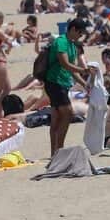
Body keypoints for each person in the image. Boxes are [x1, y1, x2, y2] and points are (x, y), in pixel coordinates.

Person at [42, 18, 91, 155]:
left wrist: (84, 84)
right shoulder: (61, 41)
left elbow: (71, 71)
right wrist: (85, 71)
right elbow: (65, 64)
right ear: (73, 29)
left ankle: (54, 153)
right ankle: (60, 149)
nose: (80, 36)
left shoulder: (72, 46)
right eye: (80, 33)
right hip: (54, 82)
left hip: (63, 83)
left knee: (57, 118)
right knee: (68, 112)